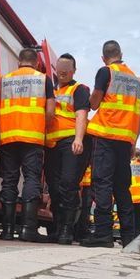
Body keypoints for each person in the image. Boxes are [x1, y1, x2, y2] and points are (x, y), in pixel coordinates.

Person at [81, 40, 140, 248]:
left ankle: (103, 235)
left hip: (105, 136)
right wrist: (133, 140)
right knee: (122, 188)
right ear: (121, 53)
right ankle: (128, 237)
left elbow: (95, 102)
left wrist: (88, 103)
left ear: (103, 57)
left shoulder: (106, 72)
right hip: (125, 140)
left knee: (102, 184)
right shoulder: (136, 80)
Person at [0, 48, 55, 242]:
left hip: (8, 136)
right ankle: (27, 229)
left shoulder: (6, 79)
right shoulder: (43, 79)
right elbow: (50, 111)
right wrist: (42, 126)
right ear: (37, 62)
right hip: (32, 137)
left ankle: (6, 230)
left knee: (9, 180)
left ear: (19, 62)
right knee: (31, 179)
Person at [44, 53, 91, 245]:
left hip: (71, 142)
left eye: (66, 71)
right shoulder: (51, 90)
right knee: (54, 187)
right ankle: (56, 227)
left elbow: (81, 114)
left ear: (73, 71)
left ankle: (66, 230)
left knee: (68, 185)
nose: (62, 74)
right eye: (59, 71)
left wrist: (79, 139)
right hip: (52, 144)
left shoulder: (79, 89)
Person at [75, 165, 93, 241]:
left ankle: (79, 232)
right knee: (84, 208)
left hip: (84, 180)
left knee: (83, 208)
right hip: (86, 180)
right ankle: (81, 232)